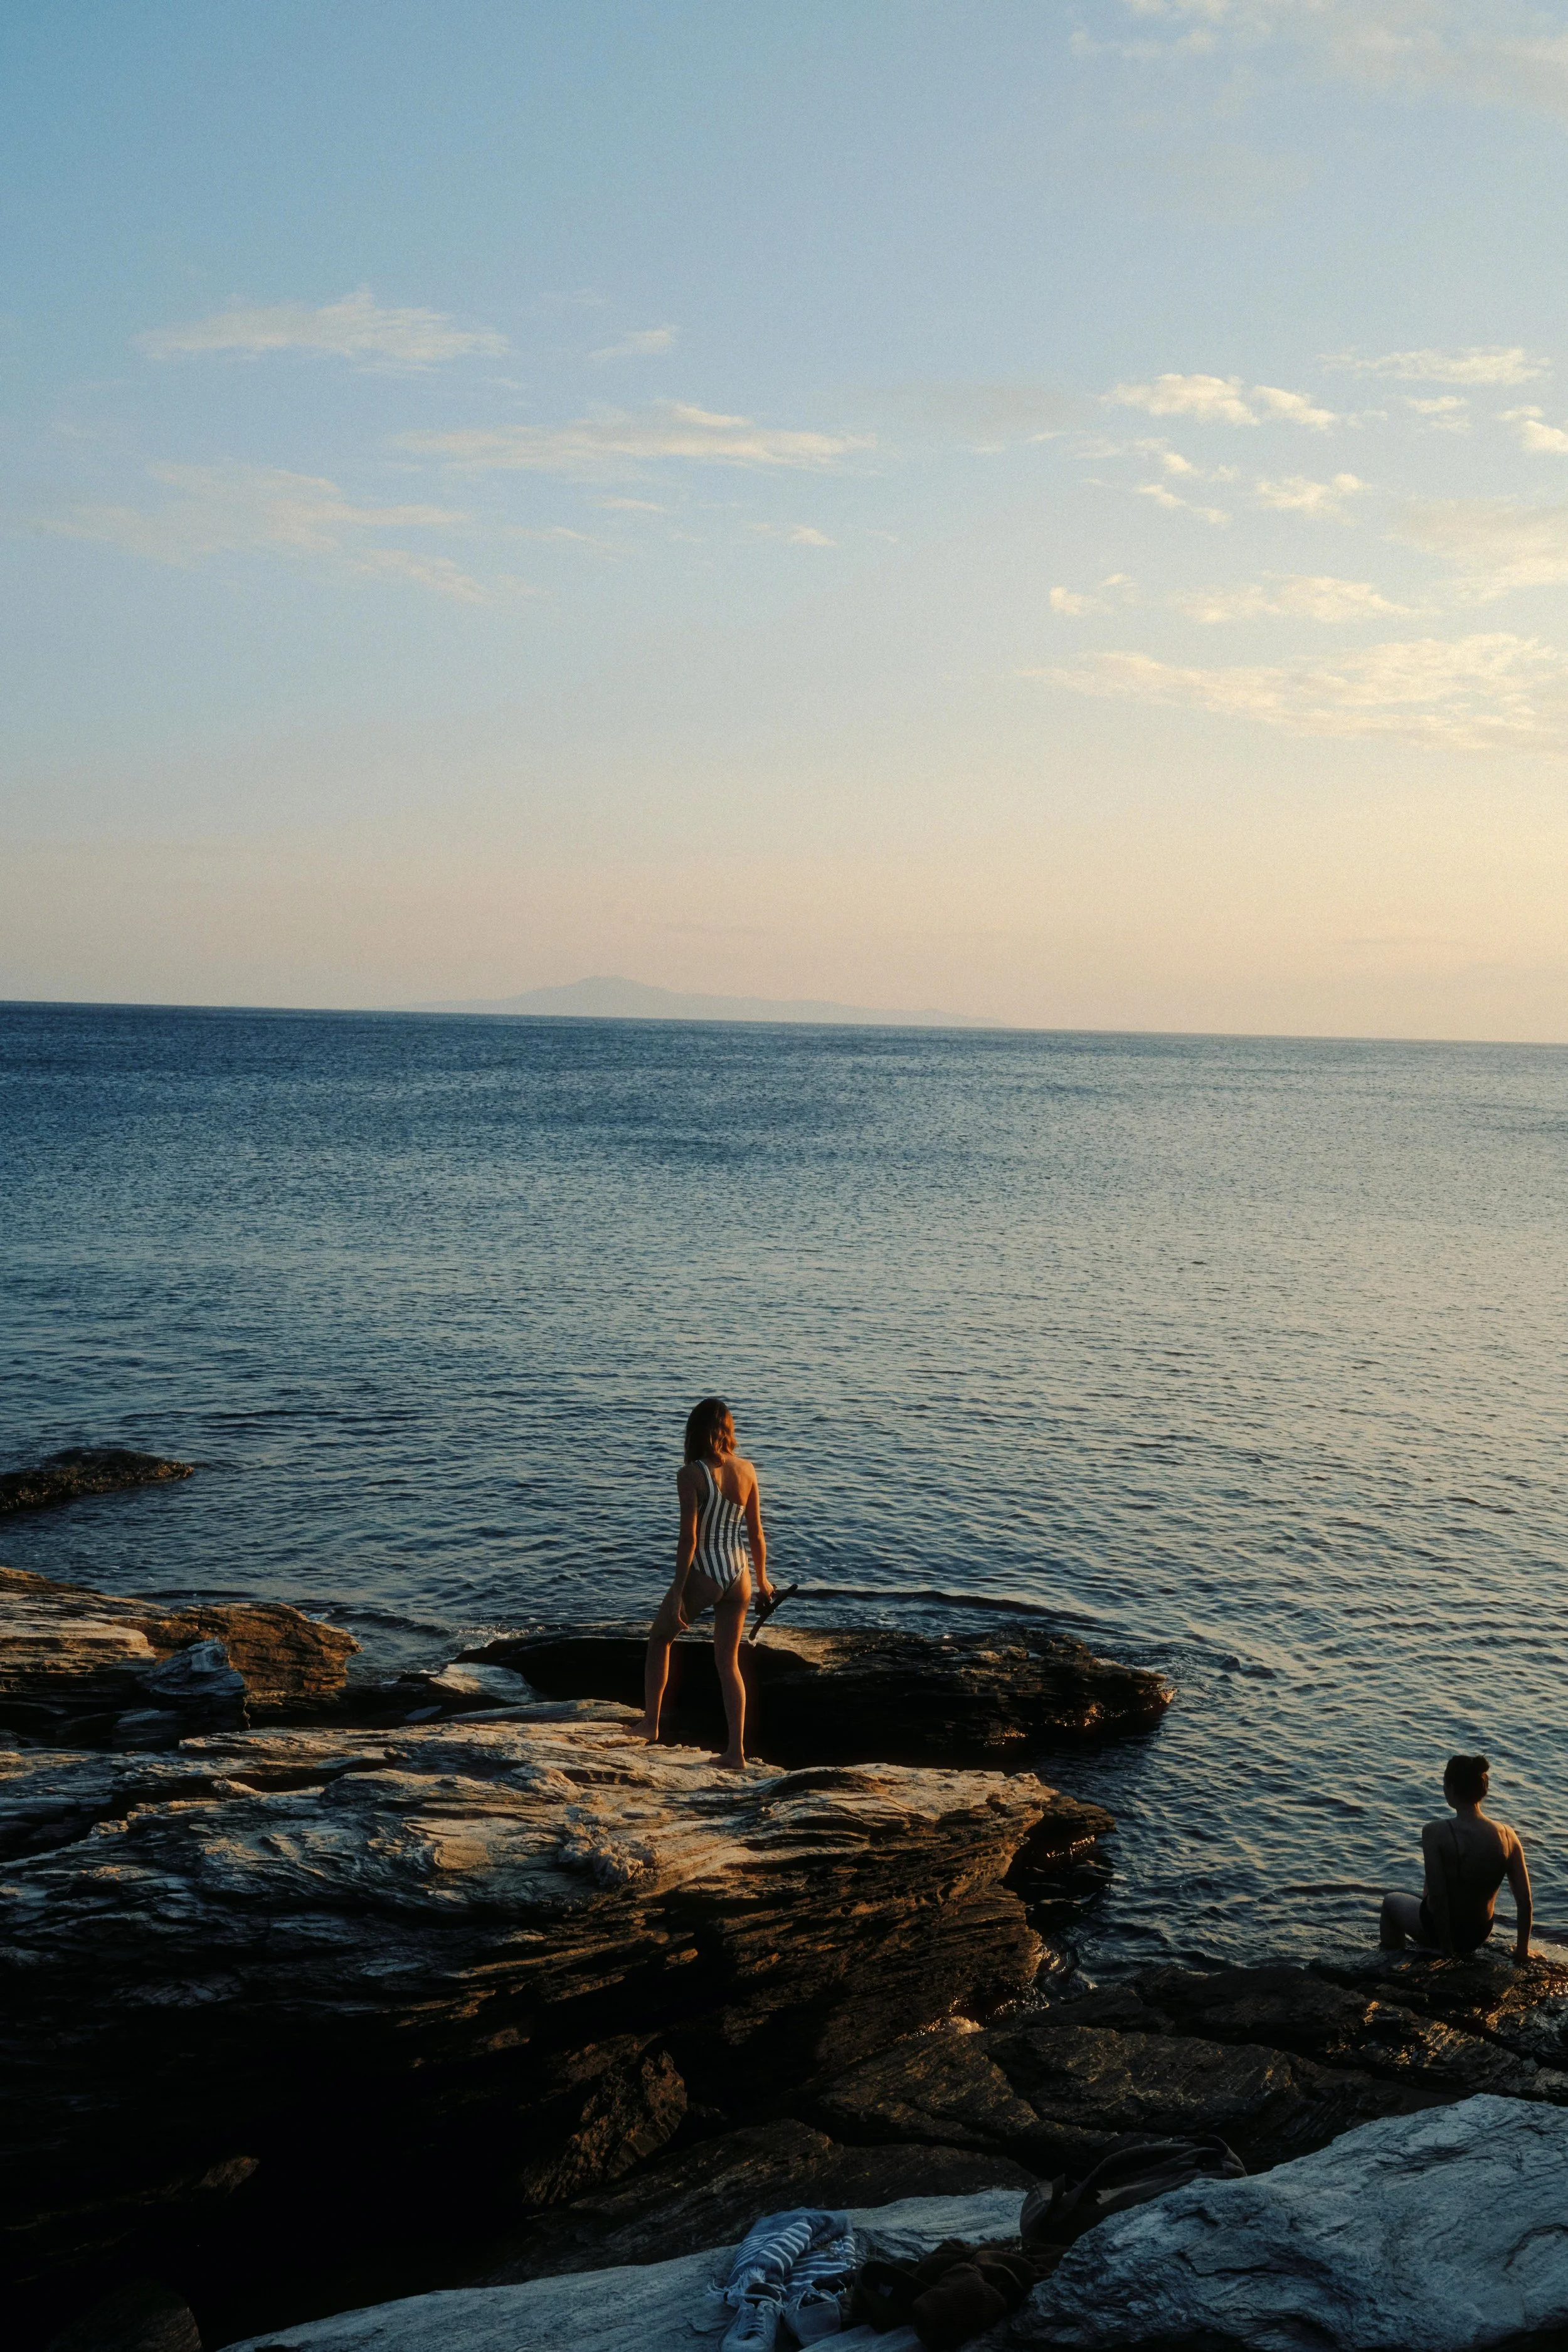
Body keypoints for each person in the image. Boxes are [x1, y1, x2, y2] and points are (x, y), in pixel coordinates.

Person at [637, 1396, 773, 1769]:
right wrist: (763, 1581)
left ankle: (651, 1724)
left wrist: (677, 1591)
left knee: (660, 1638)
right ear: (729, 1431)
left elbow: (689, 1540)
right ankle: (736, 1754)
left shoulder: (692, 1474)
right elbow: (757, 1534)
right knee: (728, 1663)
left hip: (707, 1571)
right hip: (740, 1573)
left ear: (694, 1431)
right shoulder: (747, 1470)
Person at [1380, 1754, 1532, 1963]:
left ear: (1451, 1788)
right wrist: (1522, 1952)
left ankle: (1389, 1963)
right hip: (1479, 1934)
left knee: (1390, 1903)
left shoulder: (1435, 1832)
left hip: (1443, 1934)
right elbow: (1525, 1902)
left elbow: (1440, 1897)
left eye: (1444, 1783)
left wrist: (1446, 1950)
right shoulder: (1508, 1835)